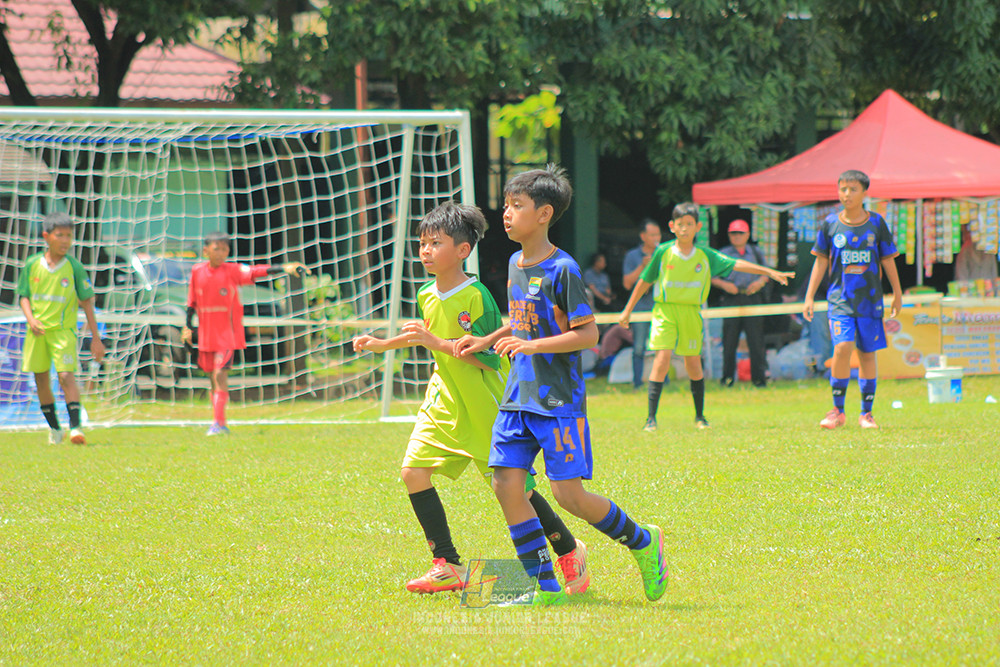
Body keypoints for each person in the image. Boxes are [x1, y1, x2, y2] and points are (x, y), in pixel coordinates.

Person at [456, 165, 668, 606]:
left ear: (545, 213)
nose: (507, 214)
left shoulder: (565, 269)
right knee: (506, 483)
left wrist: (531, 347)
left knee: (568, 495)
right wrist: (491, 338)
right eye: (507, 204)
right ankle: (544, 587)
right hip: (519, 396)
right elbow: (522, 319)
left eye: (517, 206)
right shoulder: (516, 262)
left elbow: (587, 334)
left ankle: (643, 540)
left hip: (558, 401)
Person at [352, 202, 589, 597]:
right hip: (443, 399)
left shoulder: (477, 296)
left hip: (482, 403)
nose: (425, 250)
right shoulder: (426, 292)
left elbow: (485, 357)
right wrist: (383, 343)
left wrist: (434, 343)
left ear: (463, 250)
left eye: (435, 243)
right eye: (422, 243)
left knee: (519, 490)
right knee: (413, 472)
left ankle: (569, 550)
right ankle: (446, 564)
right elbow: (423, 334)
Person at [619, 203, 793, 432]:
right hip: (665, 311)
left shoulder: (704, 254)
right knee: (662, 359)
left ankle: (700, 416)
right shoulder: (663, 252)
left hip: (691, 312)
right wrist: (627, 310)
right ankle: (651, 419)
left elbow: (736, 264)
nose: (684, 229)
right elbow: (644, 280)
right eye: (680, 225)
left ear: (697, 227)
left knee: (693, 362)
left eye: (689, 225)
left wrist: (768, 271)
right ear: (672, 226)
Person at [181, 231, 307, 436]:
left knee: (221, 373)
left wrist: (283, 268)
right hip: (205, 333)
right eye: (217, 249)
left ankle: (220, 425)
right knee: (212, 377)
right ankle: (217, 421)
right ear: (206, 251)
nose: (222, 253)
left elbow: (256, 271)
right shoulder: (197, 271)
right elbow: (191, 301)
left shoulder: (231, 270)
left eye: (225, 249)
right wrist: (187, 327)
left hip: (227, 333)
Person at [803, 170, 902, 430]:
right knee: (842, 347)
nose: (847, 194)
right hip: (839, 301)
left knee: (867, 354)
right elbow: (820, 261)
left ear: (865, 193)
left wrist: (897, 293)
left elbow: (888, 259)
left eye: (853, 189)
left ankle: (866, 414)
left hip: (870, 301)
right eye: (843, 189)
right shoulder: (829, 225)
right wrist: (810, 296)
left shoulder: (877, 224)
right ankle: (837, 410)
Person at [17, 211, 105, 445]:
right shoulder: (32, 264)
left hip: (64, 332)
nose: (66, 240)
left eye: (69, 235)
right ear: (47, 236)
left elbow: (87, 301)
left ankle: (76, 427)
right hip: (37, 333)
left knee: (66, 377)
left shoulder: (74, 267)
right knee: (41, 380)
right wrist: (31, 319)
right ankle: (56, 429)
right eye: (60, 235)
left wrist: (96, 338)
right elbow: (23, 296)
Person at [711, 219, 770, 387]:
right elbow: (710, 277)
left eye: (740, 233)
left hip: (752, 297)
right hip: (731, 298)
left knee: (756, 340)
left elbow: (766, 273)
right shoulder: (722, 253)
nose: (737, 236)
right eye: (733, 233)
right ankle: (727, 378)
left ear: (748, 235)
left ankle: (759, 378)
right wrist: (724, 285)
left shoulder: (755, 252)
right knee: (729, 340)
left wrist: (759, 283)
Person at [622, 219, 662, 389]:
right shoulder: (632, 256)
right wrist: (642, 266)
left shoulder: (664, 253)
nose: (656, 238)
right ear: (643, 236)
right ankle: (637, 382)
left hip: (661, 306)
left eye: (658, 234)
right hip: (639, 308)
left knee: (662, 346)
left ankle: (662, 381)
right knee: (639, 347)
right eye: (652, 235)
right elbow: (626, 283)